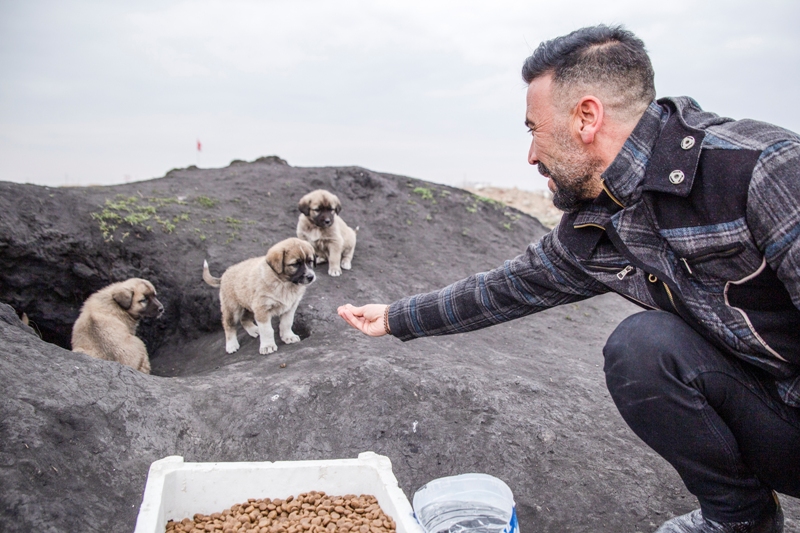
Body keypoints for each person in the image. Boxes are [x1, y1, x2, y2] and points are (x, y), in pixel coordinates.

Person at [337, 25, 800, 533]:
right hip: (774, 416)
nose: (531, 156)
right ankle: (741, 521)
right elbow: (504, 289)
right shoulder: (596, 221)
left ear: (586, 117)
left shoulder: (762, 169)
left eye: (533, 129)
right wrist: (396, 317)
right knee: (644, 347)